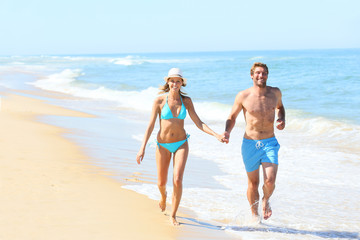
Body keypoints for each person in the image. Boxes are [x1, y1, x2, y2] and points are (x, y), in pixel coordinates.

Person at [136, 68, 223, 226]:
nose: (175, 83)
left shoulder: (186, 101)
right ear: (167, 82)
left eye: (178, 81)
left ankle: (173, 215)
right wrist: (142, 147)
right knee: (161, 183)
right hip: (162, 145)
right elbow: (150, 125)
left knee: (177, 179)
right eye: (172, 80)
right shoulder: (159, 101)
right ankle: (163, 197)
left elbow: (198, 122)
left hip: (181, 143)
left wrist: (216, 134)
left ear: (182, 83)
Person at [222, 62, 285, 221]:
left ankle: (266, 199)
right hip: (250, 144)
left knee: (270, 181)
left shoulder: (275, 92)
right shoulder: (243, 96)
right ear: (252, 75)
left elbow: (280, 107)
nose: (260, 76)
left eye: (263, 73)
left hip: (270, 142)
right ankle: (254, 216)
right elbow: (232, 117)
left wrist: (281, 118)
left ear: (267, 75)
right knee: (253, 183)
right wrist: (227, 132)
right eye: (257, 73)